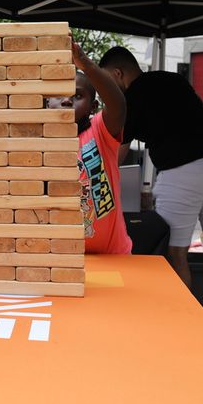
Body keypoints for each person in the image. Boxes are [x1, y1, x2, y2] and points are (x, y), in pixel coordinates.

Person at [99, 45, 203, 347]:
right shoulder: (172, 79)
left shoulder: (129, 101)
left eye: (106, 83)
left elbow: (116, 155)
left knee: (175, 250)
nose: (106, 93)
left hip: (182, 174)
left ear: (118, 73)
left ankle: (187, 326)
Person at [47, 42, 131, 255]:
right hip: (62, 257)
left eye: (77, 96)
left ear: (93, 107)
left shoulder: (100, 130)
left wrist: (85, 64)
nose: (66, 101)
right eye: (58, 95)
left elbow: (118, 105)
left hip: (113, 255)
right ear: (47, 102)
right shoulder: (41, 142)